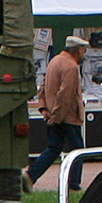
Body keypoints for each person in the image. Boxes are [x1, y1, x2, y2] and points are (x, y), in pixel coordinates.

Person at [25, 35, 89, 191]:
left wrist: (44, 108)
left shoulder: (54, 61)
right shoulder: (71, 66)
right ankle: (73, 185)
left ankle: (30, 176)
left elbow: (43, 87)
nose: (84, 54)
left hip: (54, 114)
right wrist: (56, 117)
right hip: (67, 117)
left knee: (54, 148)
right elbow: (65, 95)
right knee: (78, 151)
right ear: (78, 50)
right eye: (84, 50)